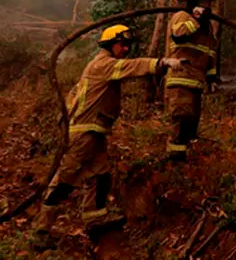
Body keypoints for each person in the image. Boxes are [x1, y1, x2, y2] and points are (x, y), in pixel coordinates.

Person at [32, 25, 182, 250]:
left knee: (101, 176)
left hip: (95, 134)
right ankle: (41, 231)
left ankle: (94, 220)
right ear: (109, 45)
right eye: (122, 44)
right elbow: (130, 67)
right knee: (64, 180)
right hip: (83, 134)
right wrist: (160, 63)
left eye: (128, 45)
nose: (126, 49)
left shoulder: (102, 65)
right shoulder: (103, 64)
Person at [164, 0, 219, 161]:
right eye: (205, 2)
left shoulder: (207, 26)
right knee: (181, 118)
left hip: (196, 81)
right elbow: (178, 35)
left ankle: (188, 157)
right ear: (194, 2)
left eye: (210, 3)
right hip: (180, 78)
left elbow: (210, 52)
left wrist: (212, 77)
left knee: (192, 122)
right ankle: (175, 159)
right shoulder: (182, 16)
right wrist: (196, 19)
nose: (208, 6)